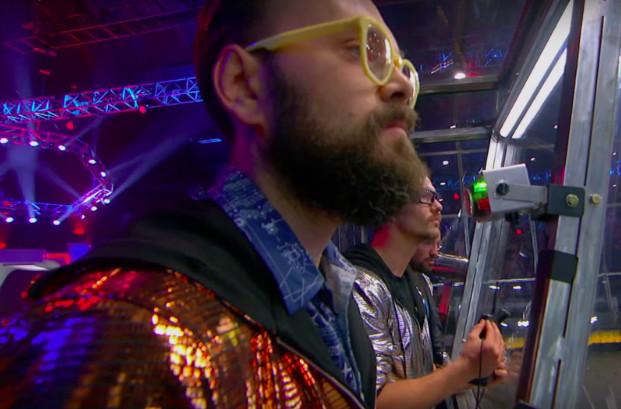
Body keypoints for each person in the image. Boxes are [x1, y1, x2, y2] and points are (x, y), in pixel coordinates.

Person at [0, 1, 429, 408]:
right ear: (244, 85)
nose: (401, 85)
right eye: (360, 48)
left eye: (399, 64)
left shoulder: (339, 301)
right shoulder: (118, 334)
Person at [346, 176, 507, 409]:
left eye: (437, 197)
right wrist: (465, 369)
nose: (438, 206)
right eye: (426, 197)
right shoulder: (359, 284)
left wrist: (475, 375)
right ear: (391, 205)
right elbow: (373, 399)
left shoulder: (415, 284)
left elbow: (423, 376)